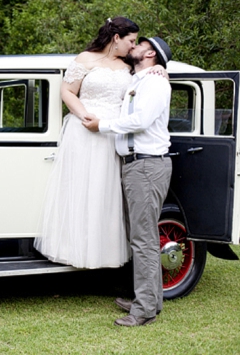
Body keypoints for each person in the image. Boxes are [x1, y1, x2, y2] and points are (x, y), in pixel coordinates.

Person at [33, 17, 139, 269]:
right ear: (116, 38)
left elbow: (152, 69)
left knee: (106, 191)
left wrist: (161, 69)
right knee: (81, 189)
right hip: (84, 130)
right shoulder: (85, 59)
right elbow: (67, 91)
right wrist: (84, 115)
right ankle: (74, 250)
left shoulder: (129, 65)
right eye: (131, 41)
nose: (133, 47)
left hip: (113, 133)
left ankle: (104, 253)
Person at [83, 36, 173, 327]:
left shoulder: (156, 83)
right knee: (140, 236)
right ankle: (149, 300)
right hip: (136, 164)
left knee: (144, 239)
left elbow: (142, 120)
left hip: (147, 164)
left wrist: (102, 126)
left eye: (138, 44)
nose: (132, 47)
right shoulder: (141, 80)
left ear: (149, 53)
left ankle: (144, 310)